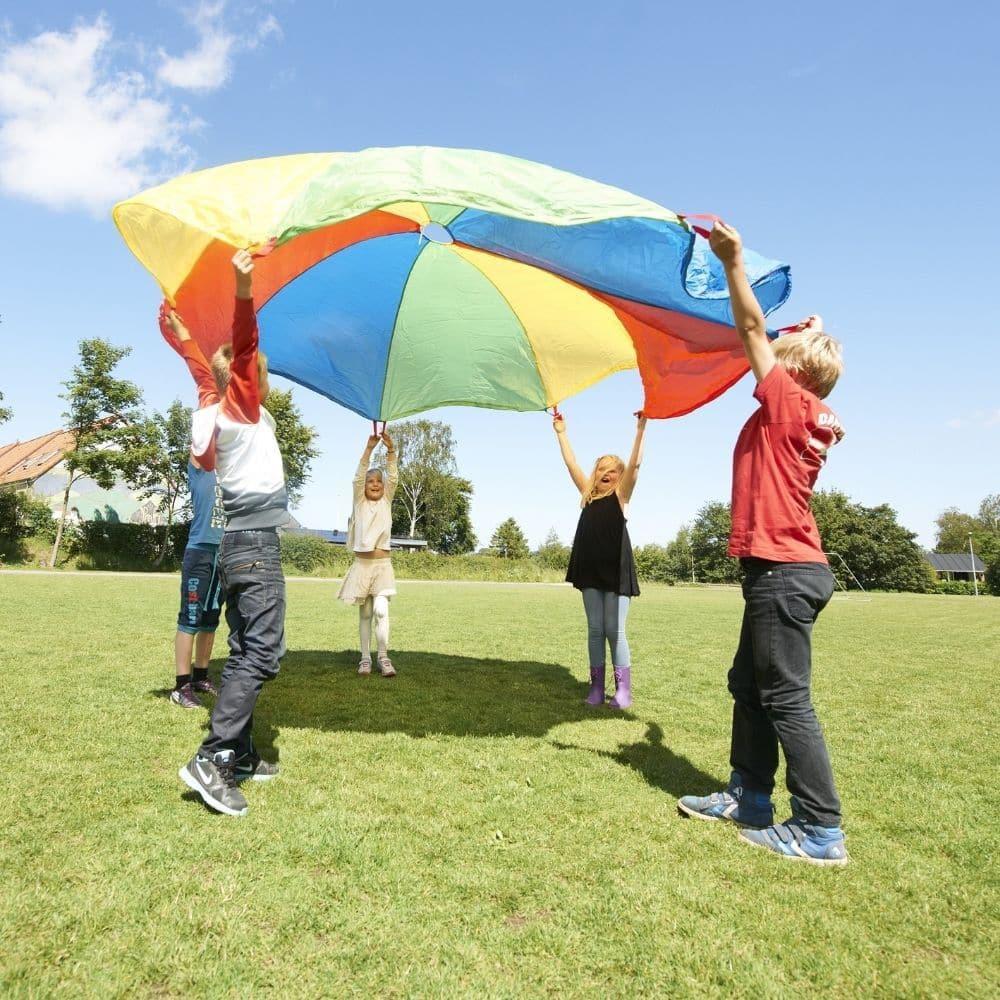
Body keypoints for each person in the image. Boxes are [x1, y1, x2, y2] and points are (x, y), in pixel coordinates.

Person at [677, 220, 849, 866]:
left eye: (790, 348)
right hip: (783, 568)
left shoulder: (785, 401)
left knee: (783, 697)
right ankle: (749, 796)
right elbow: (773, 340)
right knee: (747, 684)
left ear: (795, 370)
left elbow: (752, 331)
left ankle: (820, 829)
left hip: (783, 570)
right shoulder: (809, 409)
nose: (776, 347)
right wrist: (811, 331)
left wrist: (733, 263)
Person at [162, 249, 288, 817]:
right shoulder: (239, 409)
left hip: (243, 546)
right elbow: (244, 343)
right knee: (262, 652)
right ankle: (213, 758)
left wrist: (182, 337)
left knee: (245, 649)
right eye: (252, 367)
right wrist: (243, 284)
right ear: (246, 375)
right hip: (254, 548)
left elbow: (203, 370)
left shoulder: (227, 409)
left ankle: (239, 753)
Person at [554, 410, 646, 709]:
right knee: (595, 629)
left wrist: (641, 429)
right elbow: (570, 463)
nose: (607, 474)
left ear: (619, 478)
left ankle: (623, 691)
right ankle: (596, 687)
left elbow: (636, 464)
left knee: (614, 630)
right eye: (602, 469)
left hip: (616, 571)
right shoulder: (586, 493)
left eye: (613, 471)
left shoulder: (621, 496)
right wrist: (561, 432)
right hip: (590, 569)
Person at [160, 308, 225, 711]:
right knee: (190, 616)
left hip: (224, 552)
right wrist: (184, 332)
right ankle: (180, 684)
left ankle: (201, 677)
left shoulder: (230, 468)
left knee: (211, 619)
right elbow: (206, 383)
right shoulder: (200, 463)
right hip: (201, 550)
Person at [338, 430, 399, 677]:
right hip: (362, 567)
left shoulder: (386, 502)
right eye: (370, 481)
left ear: (384, 488)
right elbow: (358, 476)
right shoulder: (359, 503)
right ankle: (365, 659)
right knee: (365, 614)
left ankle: (383, 658)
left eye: (379, 482)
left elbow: (393, 476)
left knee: (381, 611)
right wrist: (369, 449)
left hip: (383, 566)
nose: (375, 484)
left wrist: (391, 450)